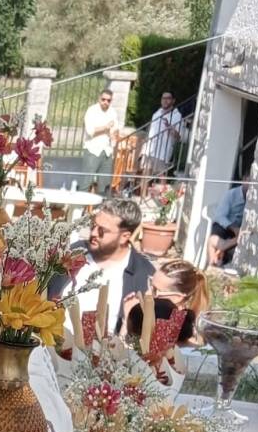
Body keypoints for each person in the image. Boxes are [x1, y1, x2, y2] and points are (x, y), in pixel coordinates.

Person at [69, 196, 156, 333]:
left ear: (124, 237)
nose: (93, 233)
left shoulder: (143, 274)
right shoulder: (72, 253)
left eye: (102, 231)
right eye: (93, 225)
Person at [123, 258, 210, 349]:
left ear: (177, 297)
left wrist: (128, 322)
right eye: (150, 285)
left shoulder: (170, 327)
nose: (147, 293)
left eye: (155, 290)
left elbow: (128, 355)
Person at [80, 86, 120, 191]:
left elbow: (115, 130)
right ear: (99, 99)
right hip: (93, 150)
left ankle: (101, 207)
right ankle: (78, 207)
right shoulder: (92, 110)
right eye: (103, 99)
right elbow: (90, 131)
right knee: (86, 182)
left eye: (108, 100)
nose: (105, 102)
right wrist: (105, 127)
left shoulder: (112, 112)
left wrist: (113, 136)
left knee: (104, 185)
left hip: (107, 151)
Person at [141, 90, 184, 178]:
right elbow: (151, 129)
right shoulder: (156, 113)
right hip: (150, 150)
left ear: (173, 100)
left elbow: (178, 136)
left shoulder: (177, 115)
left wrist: (169, 127)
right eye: (163, 98)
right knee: (145, 175)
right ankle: (144, 192)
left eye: (168, 98)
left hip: (163, 152)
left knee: (162, 176)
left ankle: (162, 191)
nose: (165, 100)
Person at [206, 179, 249, 268]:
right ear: (244, 180)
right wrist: (233, 228)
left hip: (237, 230)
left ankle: (212, 266)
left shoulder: (252, 199)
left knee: (212, 242)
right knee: (216, 235)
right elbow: (220, 216)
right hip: (225, 226)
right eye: (249, 181)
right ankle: (217, 259)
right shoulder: (231, 195)